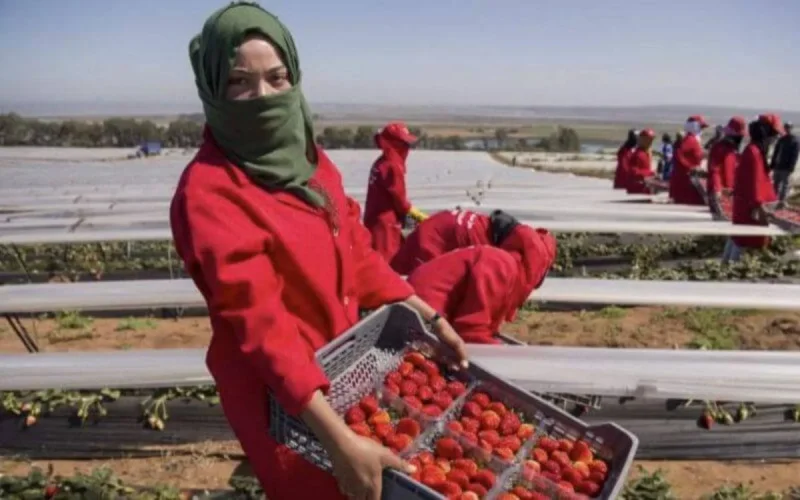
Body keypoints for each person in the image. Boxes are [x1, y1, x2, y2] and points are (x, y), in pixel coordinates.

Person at [169, 4, 468, 499]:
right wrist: (338, 440)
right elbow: (261, 326)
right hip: (283, 400)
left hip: (341, 367)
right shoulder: (209, 194)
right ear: (212, 89)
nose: (261, 96)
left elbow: (357, 251)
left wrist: (429, 317)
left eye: (276, 78)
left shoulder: (310, 162)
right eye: (240, 82)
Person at [407, 226, 557, 344]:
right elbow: (471, 330)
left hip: (424, 305)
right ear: (539, 267)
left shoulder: (503, 262)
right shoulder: (502, 266)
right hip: (423, 311)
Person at [363, 122, 428, 263]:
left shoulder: (381, 162)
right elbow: (400, 199)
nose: (407, 148)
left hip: (375, 220)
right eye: (404, 144)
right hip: (385, 225)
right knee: (386, 263)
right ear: (394, 144)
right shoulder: (392, 166)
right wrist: (417, 215)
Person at [724, 114, 784, 262]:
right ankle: (731, 270)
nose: (775, 139)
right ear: (766, 133)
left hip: (747, 207)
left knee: (739, 238)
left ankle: (727, 265)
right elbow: (754, 185)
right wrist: (761, 209)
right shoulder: (754, 152)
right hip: (750, 211)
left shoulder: (753, 150)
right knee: (745, 241)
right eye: (774, 135)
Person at [390, 208, 520, 275]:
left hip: (432, 229)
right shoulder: (482, 241)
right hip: (429, 242)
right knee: (420, 286)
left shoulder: (483, 222)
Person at [706, 116, 746, 211]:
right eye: (739, 136)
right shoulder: (720, 148)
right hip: (720, 196)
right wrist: (718, 190)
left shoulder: (732, 151)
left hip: (729, 194)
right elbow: (714, 170)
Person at [669, 115, 709, 205]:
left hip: (688, 182)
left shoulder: (692, 140)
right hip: (686, 184)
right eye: (701, 127)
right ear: (694, 126)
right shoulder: (690, 140)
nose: (702, 130)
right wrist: (691, 168)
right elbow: (678, 155)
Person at [770, 122, 798, 203]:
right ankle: (773, 199)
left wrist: (791, 167)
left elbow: (794, 155)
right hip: (778, 165)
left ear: (791, 128)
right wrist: (772, 163)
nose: (787, 129)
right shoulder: (781, 139)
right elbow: (776, 151)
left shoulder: (794, 141)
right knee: (775, 183)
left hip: (786, 167)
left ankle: (782, 202)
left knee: (784, 185)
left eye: (788, 127)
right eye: (785, 127)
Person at [626, 129, 656, 194]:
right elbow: (633, 172)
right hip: (637, 185)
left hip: (646, 181)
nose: (650, 142)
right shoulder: (637, 154)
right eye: (648, 140)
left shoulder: (646, 153)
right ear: (642, 140)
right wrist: (650, 173)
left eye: (651, 140)